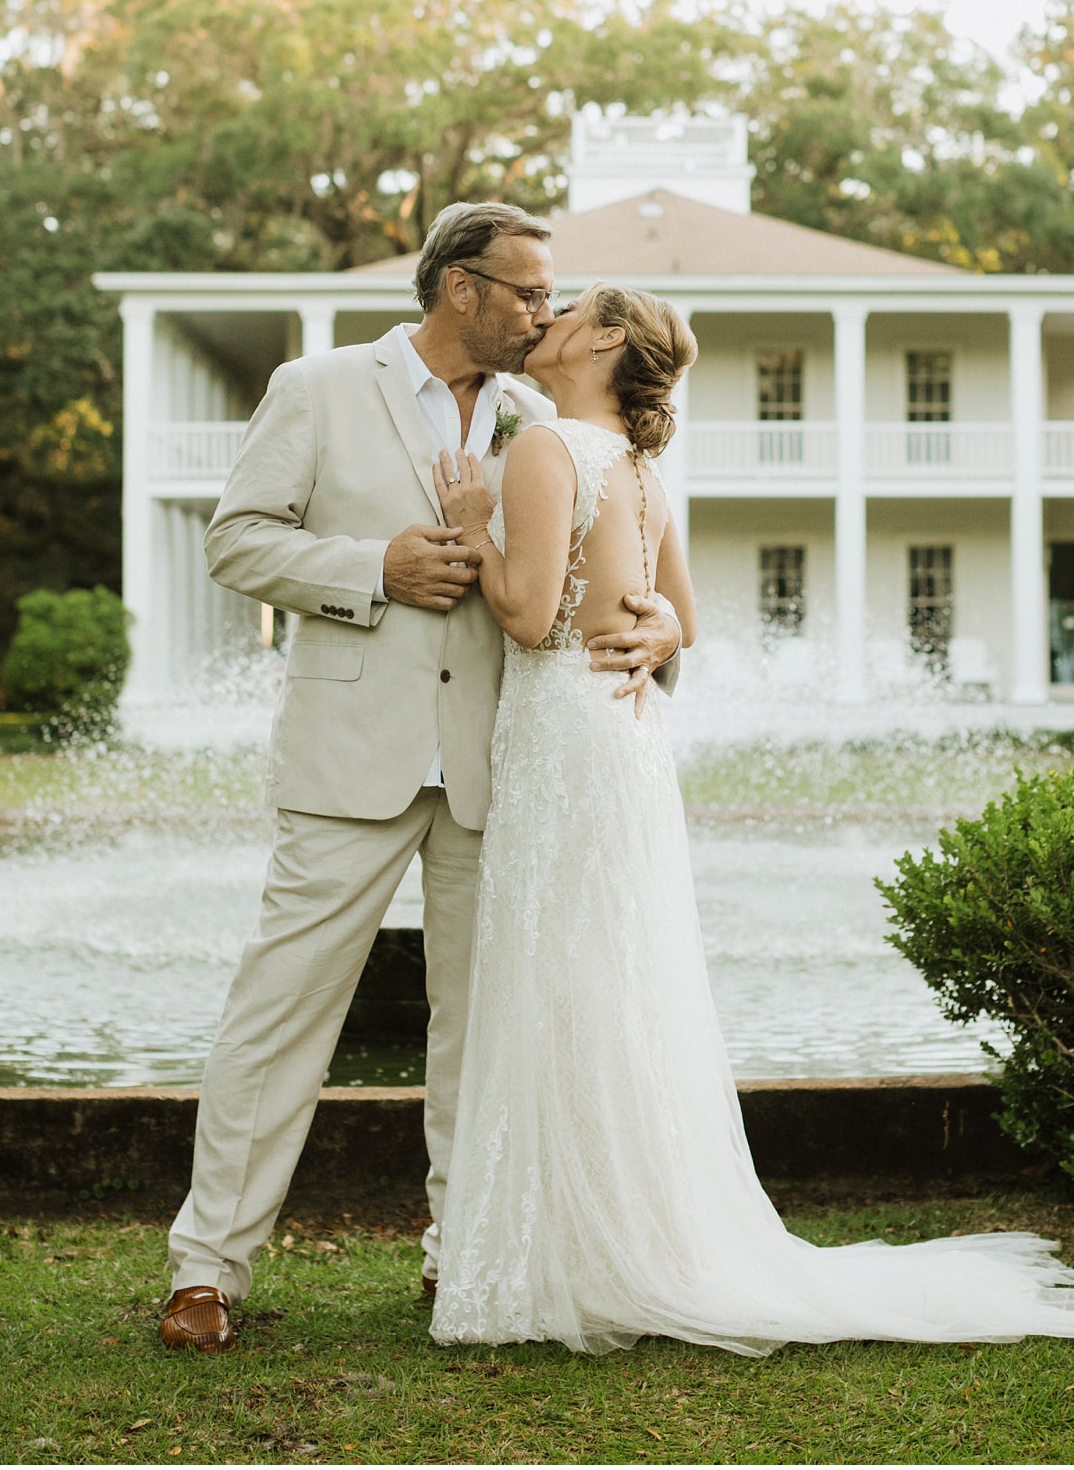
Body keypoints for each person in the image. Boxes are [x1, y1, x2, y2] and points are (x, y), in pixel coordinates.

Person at [427, 283, 1074, 1354]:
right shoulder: (638, 468)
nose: (550, 316)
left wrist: (474, 527)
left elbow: (532, 616)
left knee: (559, 977)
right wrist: (662, 625)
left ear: (608, 339)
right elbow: (685, 617)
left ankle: (570, 1255)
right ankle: (618, 1242)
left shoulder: (541, 452)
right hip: (624, 742)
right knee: (617, 982)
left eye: (570, 306)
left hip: (564, 737)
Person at [158, 206, 684, 1352]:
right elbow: (235, 538)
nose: (545, 311)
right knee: (280, 1011)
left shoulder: (546, 421)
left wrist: (658, 632)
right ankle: (208, 1269)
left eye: (555, 298)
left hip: (503, 767)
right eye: (530, 292)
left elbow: (607, 582)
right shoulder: (319, 387)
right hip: (351, 755)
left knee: (480, 1030)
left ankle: (464, 1259)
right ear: (460, 287)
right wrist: (372, 567)